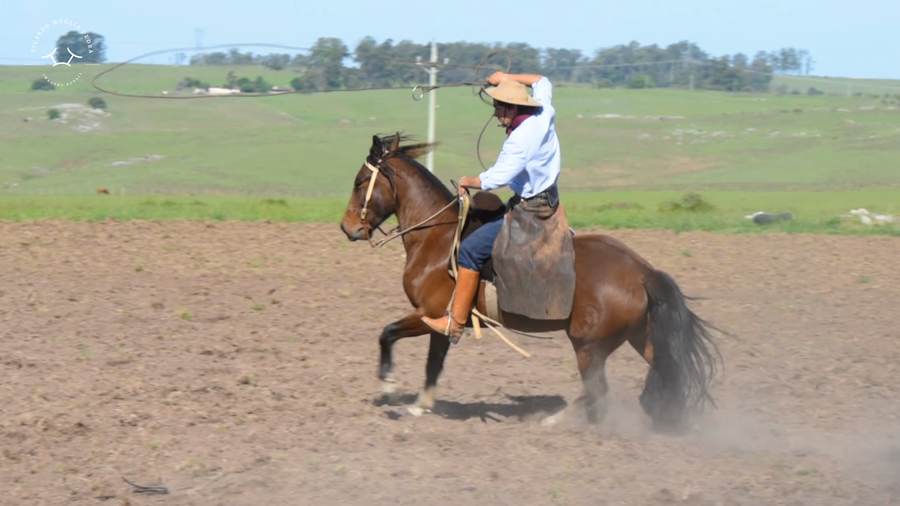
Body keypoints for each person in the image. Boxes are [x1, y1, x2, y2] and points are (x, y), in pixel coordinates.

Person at [421, 71, 562, 342]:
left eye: (499, 107)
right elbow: (543, 81)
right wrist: (507, 77)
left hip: (530, 211)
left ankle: (455, 322)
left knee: (470, 251)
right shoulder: (544, 112)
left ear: (513, 107)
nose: (496, 113)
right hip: (548, 200)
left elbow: (497, 178)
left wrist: (467, 180)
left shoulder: (519, 141)